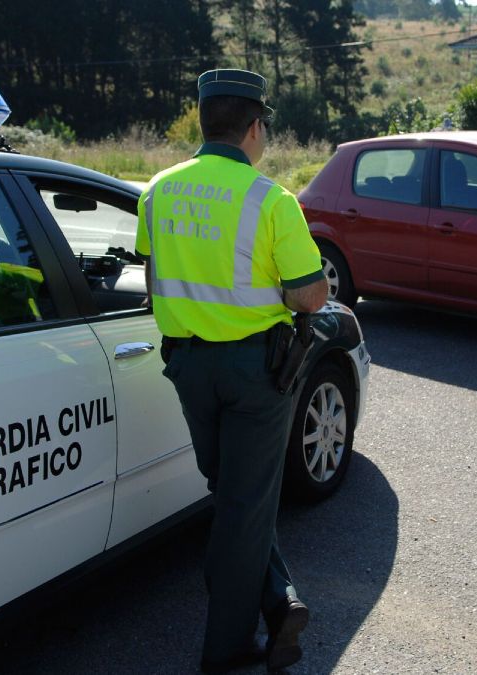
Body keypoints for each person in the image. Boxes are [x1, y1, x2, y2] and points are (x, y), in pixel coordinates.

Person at [134, 68, 328, 674]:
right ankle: (228, 648)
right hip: (255, 371)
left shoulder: (157, 190)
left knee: (231, 493)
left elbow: (153, 274)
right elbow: (311, 295)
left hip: (188, 365)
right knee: (246, 505)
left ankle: (280, 601)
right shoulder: (272, 200)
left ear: (202, 121)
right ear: (255, 128)